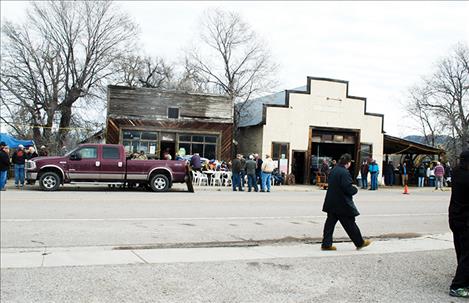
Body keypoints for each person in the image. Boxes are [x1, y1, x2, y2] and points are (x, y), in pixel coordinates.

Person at [321, 153, 371, 251]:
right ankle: (360, 242)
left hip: (331, 202)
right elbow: (347, 188)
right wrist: (355, 189)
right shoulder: (344, 172)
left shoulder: (334, 170)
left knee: (329, 225)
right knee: (350, 224)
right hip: (342, 203)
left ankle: (326, 244)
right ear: (348, 163)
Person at [448, 150, 469, 298]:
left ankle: (464, 278)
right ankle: (458, 285)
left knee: (461, 250)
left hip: (455, 218)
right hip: (465, 220)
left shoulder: (456, 172)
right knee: (467, 254)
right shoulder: (465, 177)